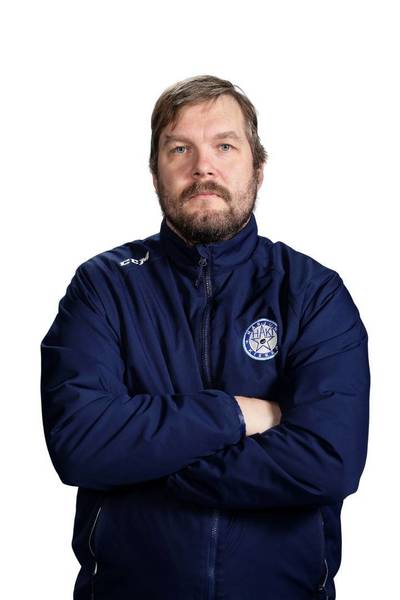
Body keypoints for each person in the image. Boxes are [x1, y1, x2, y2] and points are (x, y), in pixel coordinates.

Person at [40, 74, 370, 600]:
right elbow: (80, 445)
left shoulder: (313, 292)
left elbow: (329, 463)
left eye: (224, 146)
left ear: (258, 167)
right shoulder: (102, 287)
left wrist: (154, 463)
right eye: (179, 149)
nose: (203, 167)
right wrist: (236, 414)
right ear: (155, 172)